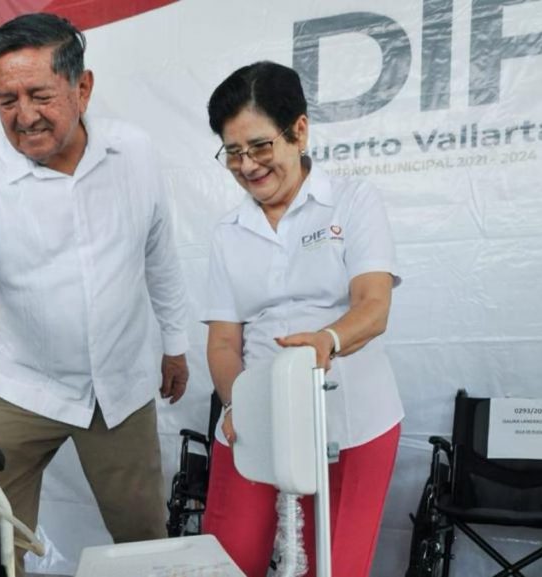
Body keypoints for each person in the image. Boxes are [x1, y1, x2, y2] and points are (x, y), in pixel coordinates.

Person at [0, 13, 190, 574]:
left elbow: (159, 253)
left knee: (143, 542)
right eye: (7, 100)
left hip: (118, 386)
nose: (25, 116)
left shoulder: (133, 154)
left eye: (40, 95)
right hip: (24, 387)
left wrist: (176, 344)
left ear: (82, 88)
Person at [200, 61, 403, 577]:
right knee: (228, 561)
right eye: (233, 152)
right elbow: (223, 342)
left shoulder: (352, 202)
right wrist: (238, 404)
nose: (248, 165)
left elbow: (373, 305)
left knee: (333, 566)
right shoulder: (228, 232)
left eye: (260, 146)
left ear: (299, 131)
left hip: (352, 421)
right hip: (255, 418)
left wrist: (327, 341)